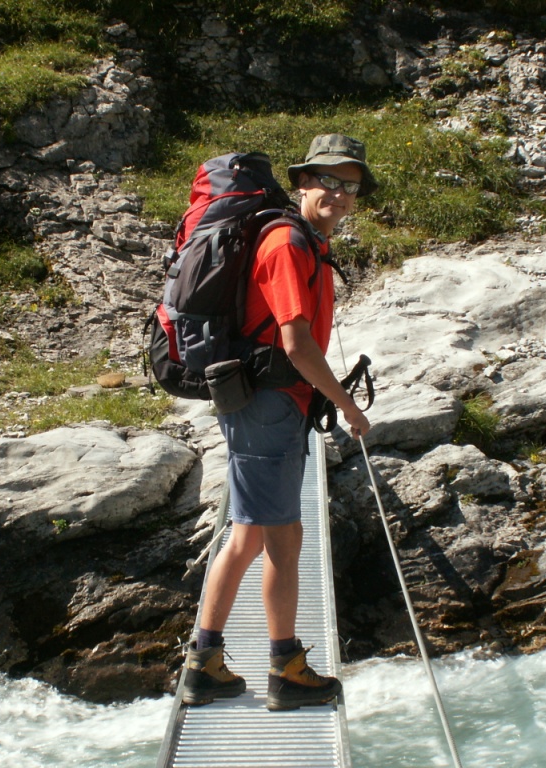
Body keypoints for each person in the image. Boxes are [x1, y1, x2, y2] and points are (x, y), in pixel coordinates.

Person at [181, 134, 377, 711]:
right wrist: (346, 404)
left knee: (246, 536)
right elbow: (295, 342)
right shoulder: (288, 244)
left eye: (350, 186)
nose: (339, 195)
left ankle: (204, 662)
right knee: (284, 541)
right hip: (268, 407)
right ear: (302, 184)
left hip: (267, 405)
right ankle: (285, 669)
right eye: (328, 182)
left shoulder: (305, 241)